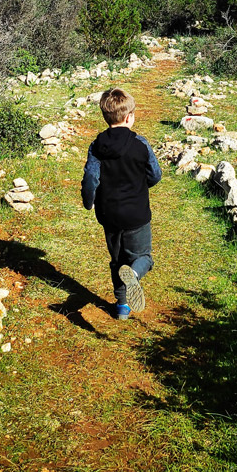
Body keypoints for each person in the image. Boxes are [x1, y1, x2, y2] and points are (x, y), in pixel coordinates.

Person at [81, 87, 162, 320]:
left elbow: (91, 178)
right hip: (136, 214)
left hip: (109, 215)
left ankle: (122, 306)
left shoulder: (97, 145)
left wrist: (89, 202)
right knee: (143, 257)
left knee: (117, 260)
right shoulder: (140, 143)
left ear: (106, 116)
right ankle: (135, 275)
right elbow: (155, 175)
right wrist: (140, 185)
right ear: (129, 117)